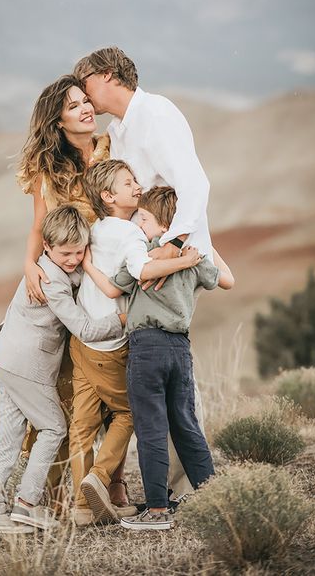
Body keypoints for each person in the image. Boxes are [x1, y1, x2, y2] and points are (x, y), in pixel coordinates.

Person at [74, 46, 213, 499]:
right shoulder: (118, 131)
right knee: (157, 375)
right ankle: (175, 485)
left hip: (171, 262)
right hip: (147, 265)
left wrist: (173, 243)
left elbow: (194, 185)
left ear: (110, 74)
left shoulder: (156, 113)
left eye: (86, 79)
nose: (84, 91)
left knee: (168, 373)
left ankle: (184, 490)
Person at [83, 185, 234, 530]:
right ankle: (218, 497)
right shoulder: (194, 259)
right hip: (180, 349)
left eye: (145, 219)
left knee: (151, 429)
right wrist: (205, 245)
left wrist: (89, 265)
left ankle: (156, 512)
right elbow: (228, 281)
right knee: (186, 426)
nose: (139, 224)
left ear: (164, 225)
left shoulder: (145, 257)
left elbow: (111, 288)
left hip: (146, 348)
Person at [16, 73, 130, 510]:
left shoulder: (112, 146)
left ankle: (113, 485)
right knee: (74, 389)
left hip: (114, 276)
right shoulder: (50, 169)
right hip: (74, 283)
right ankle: (66, 491)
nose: (86, 108)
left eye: (86, 100)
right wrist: (29, 264)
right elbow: (39, 225)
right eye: (74, 105)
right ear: (58, 121)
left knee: (118, 381)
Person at [0, 205, 125, 535]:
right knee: (54, 428)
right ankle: (27, 505)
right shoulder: (50, 282)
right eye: (66, 253)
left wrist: (85, 265)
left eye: (79, 252)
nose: (73, 259)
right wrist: (124, 320)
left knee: (11, 434)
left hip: (4, 357)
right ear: (46, 247)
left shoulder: (55, 268)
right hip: (25, 364)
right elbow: (84, 329)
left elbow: (74, 272)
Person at [71, 160, 202, 525]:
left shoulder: (95, 230)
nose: (137, 186)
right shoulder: (129, 235)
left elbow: (109, 283)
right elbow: (141, 272)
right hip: (113, 341)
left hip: (82, 340)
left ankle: (81, 507)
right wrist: (183, 259)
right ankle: (99, 478)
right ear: (108, 196)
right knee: (129, 413)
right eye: (128, 183)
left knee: (82, 423)